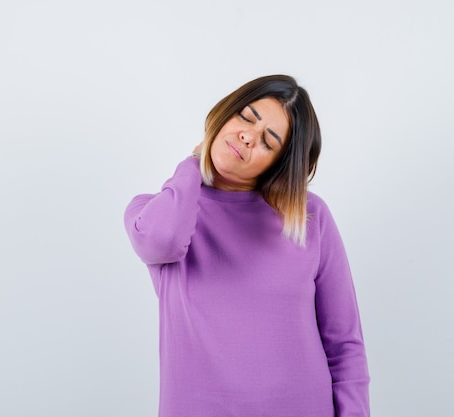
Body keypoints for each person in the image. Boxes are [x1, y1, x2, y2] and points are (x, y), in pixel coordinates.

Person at [123, 75, 370, 417]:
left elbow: (344, 345)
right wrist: (193, 162)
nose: (248, 137)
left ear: (277, 164)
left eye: (268, 142)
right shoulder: (155, 212)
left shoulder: (310, 216)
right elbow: (161, 241)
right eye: (246, 117)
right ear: (226, 113)